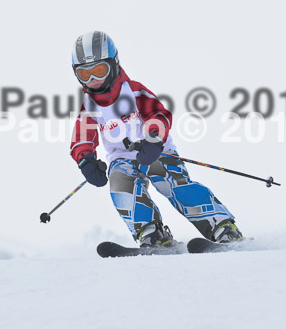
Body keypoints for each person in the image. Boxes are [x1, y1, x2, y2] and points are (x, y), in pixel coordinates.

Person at [69, 31, 243, 247]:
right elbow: (81, 138)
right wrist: (85, 159)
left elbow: (158, 115)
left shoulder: (133, 91)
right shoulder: (89, 108)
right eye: (85, 75)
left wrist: (153, 138)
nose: (94, 80)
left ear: (113, 64)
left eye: (99, 70)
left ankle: (221, 225)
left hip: (154, 150)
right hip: (122, 158)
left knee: (167, 179)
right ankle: (151, 232)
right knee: (120, 182)